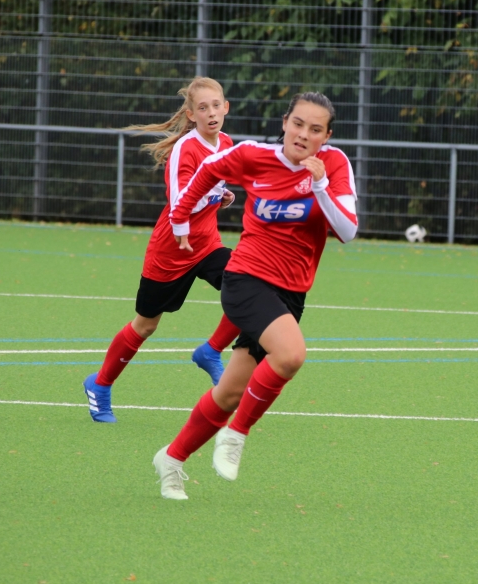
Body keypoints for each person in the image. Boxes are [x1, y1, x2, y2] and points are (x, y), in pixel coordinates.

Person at [152, 92, 358, 500]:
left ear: (327, 136)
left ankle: (171, 459)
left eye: (315, 129)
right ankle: (236, 435)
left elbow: (347, 230)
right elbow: (207, 171)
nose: (304, 134)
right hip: (245, 278)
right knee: (291, 355)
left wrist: (320, 185)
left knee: (229, 393)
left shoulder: (333, 164)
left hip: (290, 293)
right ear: (284, 123)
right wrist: (179, 218)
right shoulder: (252, 155)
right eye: (298, 123)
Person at [82, 77, 242, 423]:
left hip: (207, 246)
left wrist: (223, 195)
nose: (211, 113)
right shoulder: (186, 148)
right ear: (191, 114)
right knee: (145, 326)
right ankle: (100, 384)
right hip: (171, 252)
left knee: (248, 283)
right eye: (203, 108)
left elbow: (210, 187)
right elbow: (178, 198)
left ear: (226, 107)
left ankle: (210, 351)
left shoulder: (227, 143)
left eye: (216, 105)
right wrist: (191, 219)